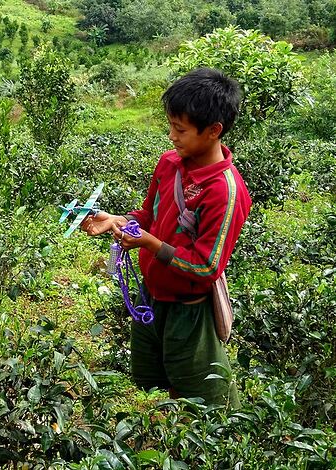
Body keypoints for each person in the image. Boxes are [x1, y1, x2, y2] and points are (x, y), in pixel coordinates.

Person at [81, 67, 251, 407]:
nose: (172, 136)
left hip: (190, 311)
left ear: (214, 131)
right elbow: (149, 215)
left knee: (205, 401)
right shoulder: (169, 163)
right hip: (151, 298)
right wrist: (120, 220)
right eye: (171, 126)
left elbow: (206, 267)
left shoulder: (224, 191)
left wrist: (150, 243)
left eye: (180, 129)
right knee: (155, 385)